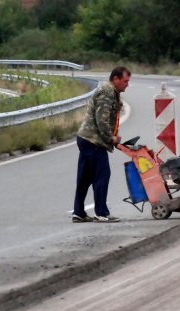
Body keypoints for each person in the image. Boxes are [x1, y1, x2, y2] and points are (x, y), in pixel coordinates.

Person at [72, 66, 131, 223]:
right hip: (93, 141)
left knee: (84, 178)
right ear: (116, 79)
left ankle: (78, 212)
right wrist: (111, 138)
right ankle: (101, 212)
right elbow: (101, 119)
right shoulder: (107, 92)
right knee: (102, 175)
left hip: (86, 138)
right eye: (125, 81)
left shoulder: (111, 91)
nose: (127, 85)